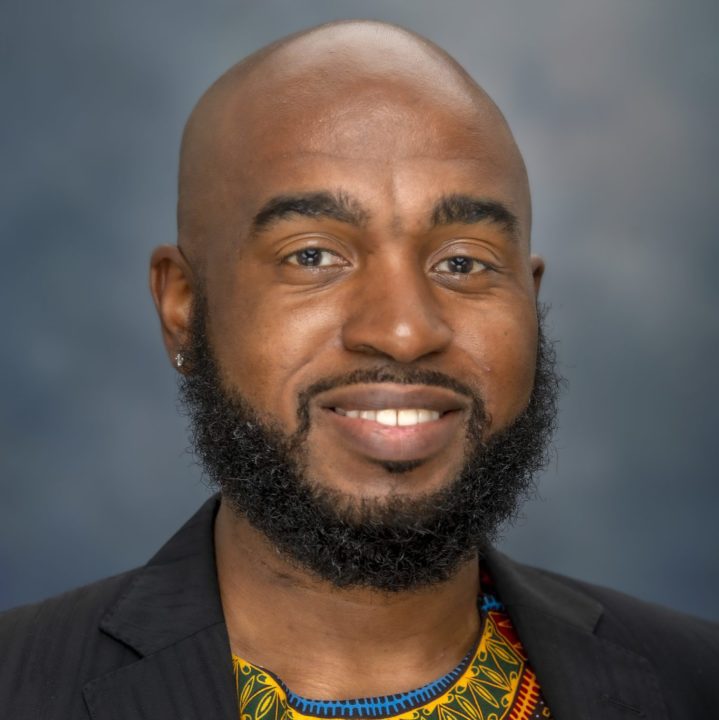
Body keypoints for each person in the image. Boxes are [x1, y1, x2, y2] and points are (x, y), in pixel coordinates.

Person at [1, 20, 717, 720]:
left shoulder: (693, 682)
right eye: (312, 255)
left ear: (529, 302)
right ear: (183, 306)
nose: (404, 331)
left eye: (461, 263)